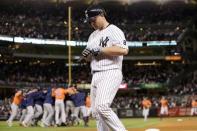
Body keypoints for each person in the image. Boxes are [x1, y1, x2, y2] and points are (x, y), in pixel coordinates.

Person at [81, 4, 128, 131]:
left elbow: (123, 50)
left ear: (101, 15)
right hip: (95, 74)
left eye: (93, 20)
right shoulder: (92, 36)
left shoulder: (114, 30)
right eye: (89, 22)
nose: (91, 23)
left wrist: (100, 49)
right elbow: (91, 57)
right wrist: (87, 55)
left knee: (102, 107)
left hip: (110, 71)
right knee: (96, 113)